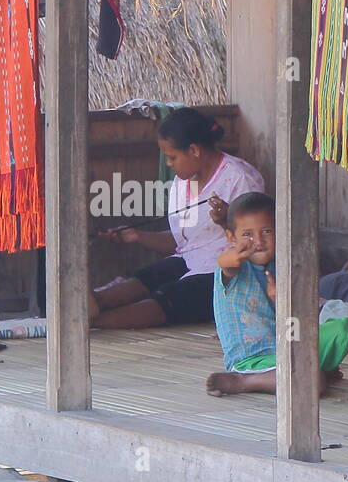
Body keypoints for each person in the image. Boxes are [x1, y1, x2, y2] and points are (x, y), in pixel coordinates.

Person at [203, 192, 348, 396]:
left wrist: (284, 301)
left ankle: (312, 368)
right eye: (247, 234)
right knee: (315, 382)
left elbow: (296, 323)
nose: (258, 241)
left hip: (287, 349)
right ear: (231, 238)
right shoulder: (235, 268)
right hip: (253, 359)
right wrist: (237, 254)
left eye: (267, 231)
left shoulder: (281, 267)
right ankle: (244, 382)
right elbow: (226, 262)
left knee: (344, 327)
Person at [90, 108, 264, 328]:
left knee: (167, 299)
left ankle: (88, 323)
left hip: (227, 274)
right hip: (190, 260)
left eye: (172, 157)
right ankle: (92, 303)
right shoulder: (183, 182)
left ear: (194, 150)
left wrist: (226, 220)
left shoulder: (240, 178)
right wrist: (137, 236)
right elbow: (184, 243)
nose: (169, 164)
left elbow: (257, 244)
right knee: (144, 279)